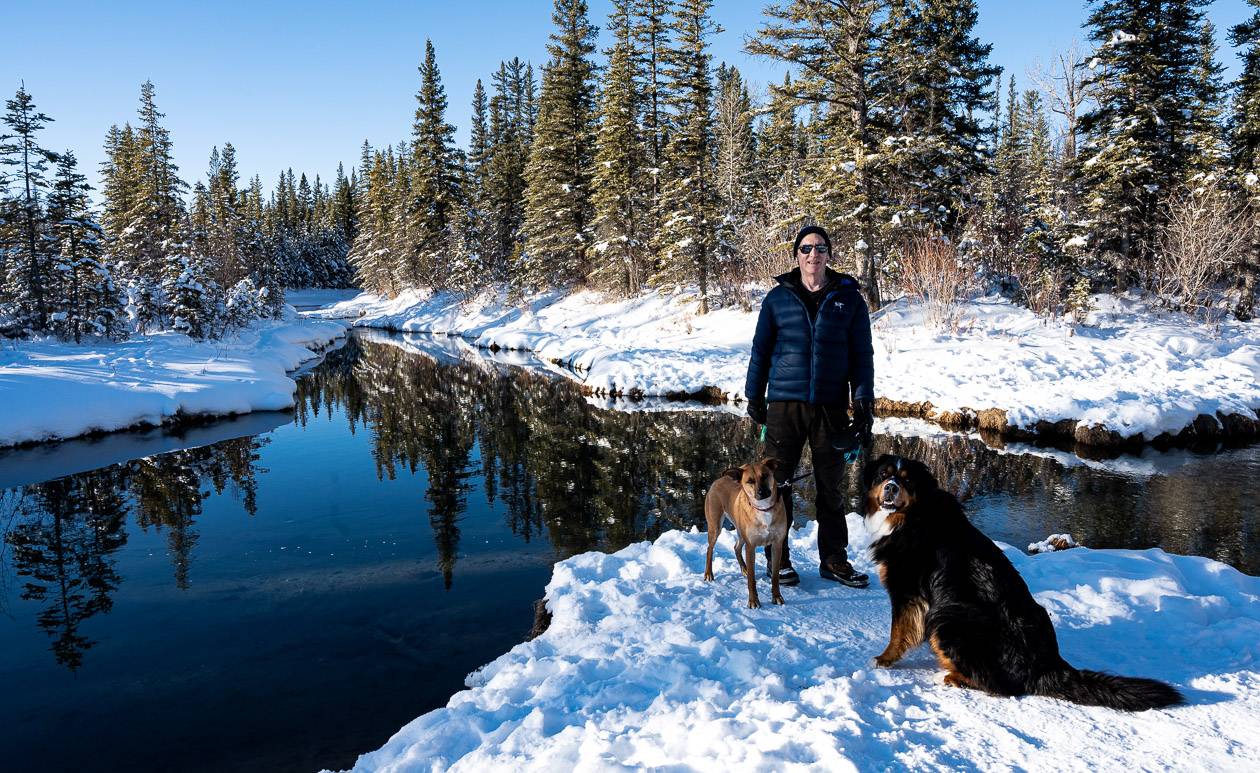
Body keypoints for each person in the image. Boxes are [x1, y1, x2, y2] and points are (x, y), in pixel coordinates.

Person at [744, 224, 875, 588]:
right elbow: (761, 350)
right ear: (796, 255)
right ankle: (777, 559)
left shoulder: (848, 298)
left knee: (830, 488)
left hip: (832, 406)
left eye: (820, 248)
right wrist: (754, 395)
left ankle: (834, 560)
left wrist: (864, 401)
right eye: (806, 248)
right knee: (776, 485)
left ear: (829, 255)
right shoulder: (777, 299)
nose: (813, 254)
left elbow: (862, 355)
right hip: (784, 405)